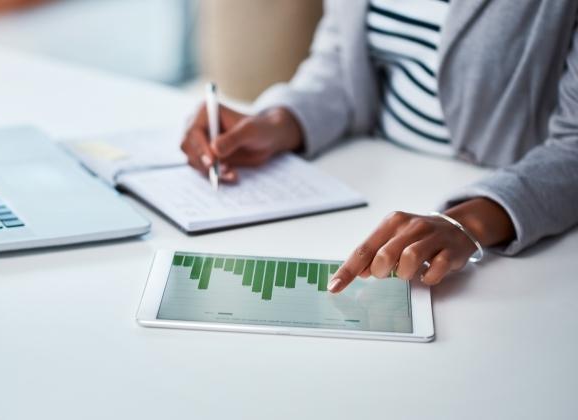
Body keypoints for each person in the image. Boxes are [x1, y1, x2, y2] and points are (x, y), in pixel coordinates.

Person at [181, 0, 578, 293]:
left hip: (518, 223)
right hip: (370, 178)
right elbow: (341, 63)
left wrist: (472, 222)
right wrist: (279, 121)